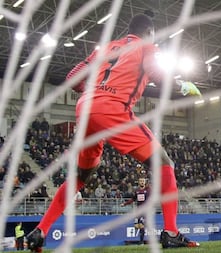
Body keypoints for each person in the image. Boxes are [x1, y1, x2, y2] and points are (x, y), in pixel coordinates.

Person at [26, 14, 200, 252]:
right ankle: (171, 232)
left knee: (81, 176)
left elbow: (72, 79)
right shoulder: (148, 46)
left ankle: (40, 231)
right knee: (164, 164)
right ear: (149, 32)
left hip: (85, 108)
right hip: (112, 108)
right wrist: (181, 86)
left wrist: (95, 91)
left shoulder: (106, 48)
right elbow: (157, 75)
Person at [121, 174, 150, 245]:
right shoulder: (137, 191)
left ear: (145, 182)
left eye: (143, 181)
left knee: (141, 225)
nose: (142, 182)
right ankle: (142, 238)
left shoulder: (148, 190)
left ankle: (141, 242)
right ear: (139, 182)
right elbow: (133, 199)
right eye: (141, 181)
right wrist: (124, 204)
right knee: (137, 226)